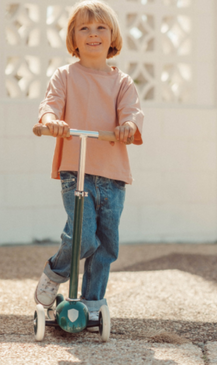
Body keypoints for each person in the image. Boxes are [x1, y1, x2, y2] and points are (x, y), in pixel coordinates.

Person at [33, 0, 144, 329]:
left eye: (100, 28)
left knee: (107, 243)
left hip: (113, 175)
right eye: (84, 28)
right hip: (75, 170)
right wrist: (51, 120)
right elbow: (50, 104)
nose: (93, 34)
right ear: (74, 38)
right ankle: (55, 272)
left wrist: (128, 127)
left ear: (112, 37)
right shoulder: (65, 76)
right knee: (82, 237)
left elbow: (132, 113)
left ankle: (93, 304)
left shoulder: (122, 82)